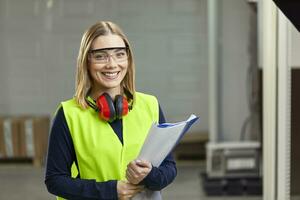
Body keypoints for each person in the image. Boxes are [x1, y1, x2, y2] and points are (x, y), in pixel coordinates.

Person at [45, 21, 177, 200]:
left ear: (128, 60)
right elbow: (55, 181)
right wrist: (110, 190)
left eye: (119, 54)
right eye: (100, 56)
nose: (112, 64)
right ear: (86, 61)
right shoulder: (69, 114)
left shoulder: (150, 105)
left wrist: (150, 175)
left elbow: (169, 168)